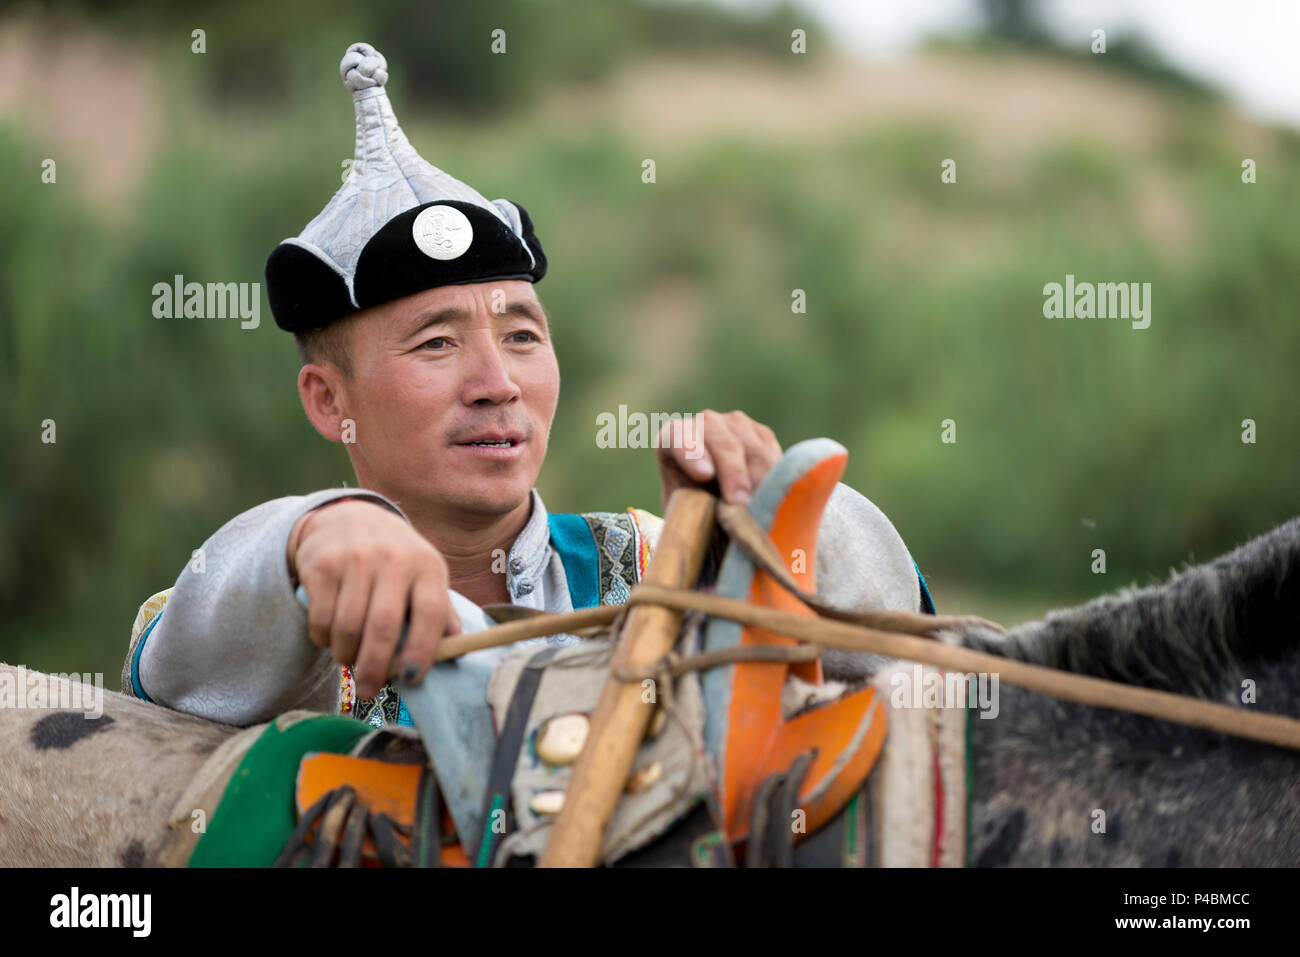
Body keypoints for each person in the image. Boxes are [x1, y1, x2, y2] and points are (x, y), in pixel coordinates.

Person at [121, 42, 927, 730]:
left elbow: (918, 666)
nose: (497, 383)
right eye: (437, 343)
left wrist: (772, 521)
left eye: (522, 336)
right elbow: (191, 654)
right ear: (329, 400)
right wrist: (316, 532)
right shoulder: (282, 612)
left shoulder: (655, 567)